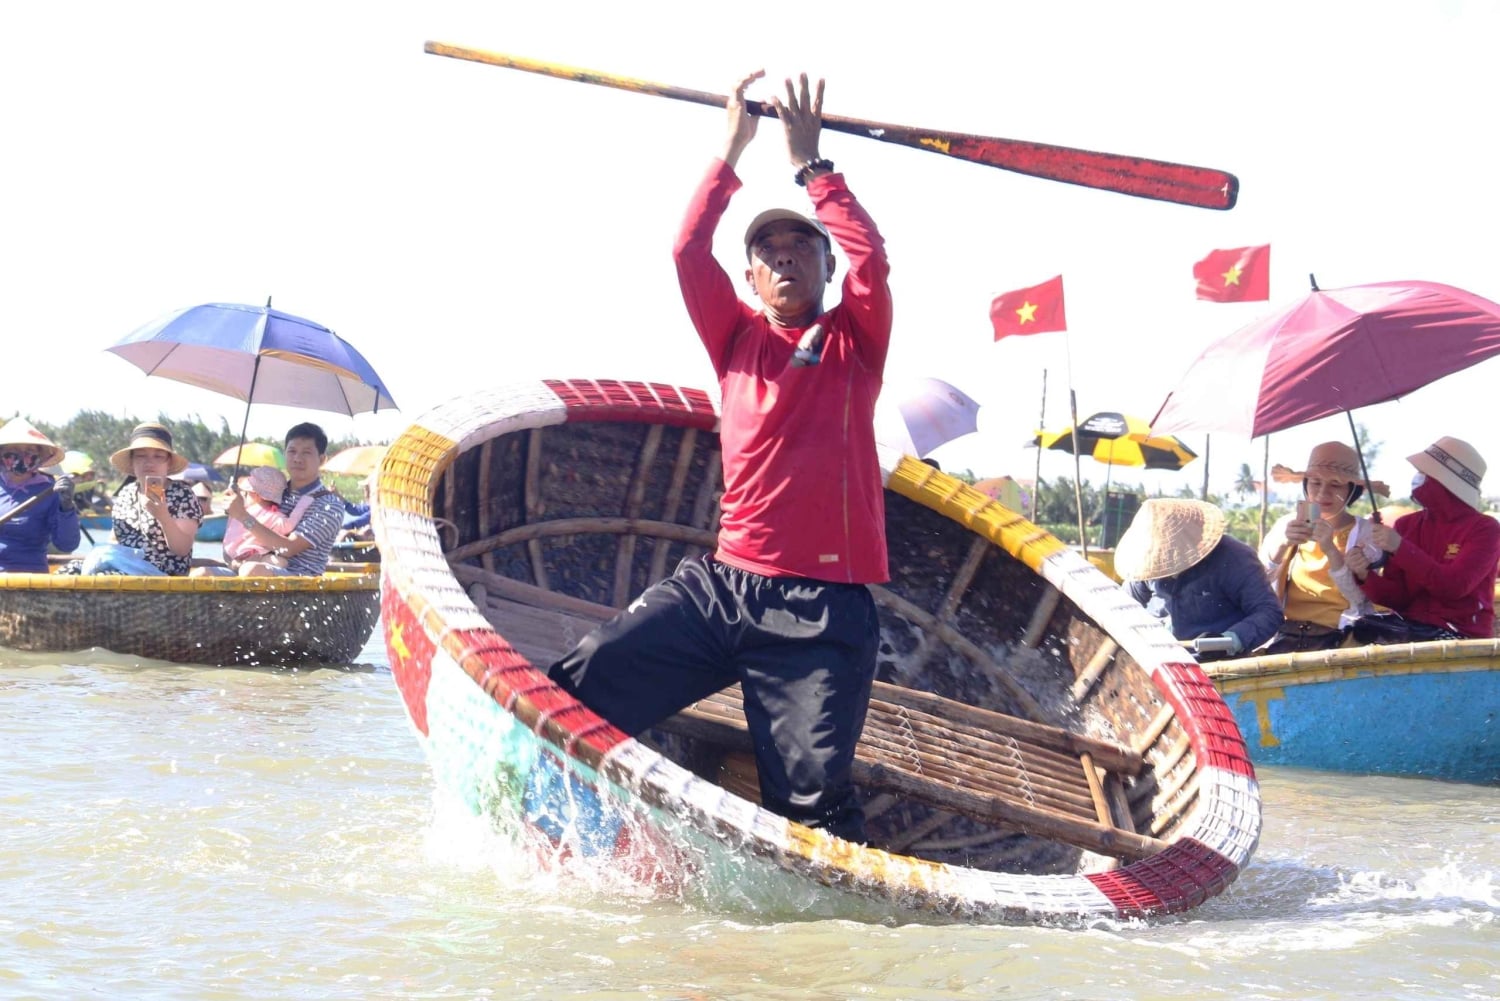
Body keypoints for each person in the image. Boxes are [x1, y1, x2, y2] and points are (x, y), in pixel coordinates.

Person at [547, 71, 892, 842]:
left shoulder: (853, 341)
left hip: (823, 610)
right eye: (766, 252)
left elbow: (873, 261)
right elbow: (685, 246)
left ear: (825, 269)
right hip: (724, 588)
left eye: (800, 247)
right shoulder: (734, 335)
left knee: (812, 811)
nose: (783, 260)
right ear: (749, 279)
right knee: (577, 687)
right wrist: (732, 148)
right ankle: (576, 828)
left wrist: (811, 167)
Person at [1346, 436, 1500, 641]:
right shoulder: (1406, 524)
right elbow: (1397, 599)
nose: (1417, 477)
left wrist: (1401, 549)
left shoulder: (1485, 528)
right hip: (1410, 630)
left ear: (1443, 481)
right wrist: (1365, 574)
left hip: (1462, 635)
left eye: (1424, 472)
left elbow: (1453, 587)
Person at [1258, 442, 1386, 653]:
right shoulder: (1286, 525)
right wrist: (1282, 546)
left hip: (1341, 640)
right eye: (1315, 482)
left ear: (1351, 491)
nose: (1323, 492)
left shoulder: (1366, 533)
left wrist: (1331, 550)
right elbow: (1258, 584)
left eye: (1335, 485)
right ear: (1306, 484)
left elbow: (1361, 600)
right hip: (1288, 637)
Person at [1116, 498, 1283, 659]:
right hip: (1157, 659)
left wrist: (1229, 641)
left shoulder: (1235, 558)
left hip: (1215, 665)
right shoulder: (1145, 561)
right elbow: (1123, 609)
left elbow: (1268, 612)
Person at [223, 423, 346, 576]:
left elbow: (288, 549)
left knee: (252, 571)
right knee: (203, 572)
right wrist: (234, 512)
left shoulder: (329, 505)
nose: (297, 459)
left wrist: (242, 516)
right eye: (292, 451)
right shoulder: (270, 492)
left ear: (321, 459)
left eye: (306, 453)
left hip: (298, 579)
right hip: (249, 564)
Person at [81, 422, 202, 576]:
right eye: (141, 456)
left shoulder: (183, 494)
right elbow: (115, 540)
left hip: (163, 576)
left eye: (158, 456)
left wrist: (163, 516)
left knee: (104, 578)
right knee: (70, 570)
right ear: (132, 461)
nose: (149, 462)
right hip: (123, 567)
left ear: (168, 462)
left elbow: (181, 550)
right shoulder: (126, 493)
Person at [0, 418, 80, 573]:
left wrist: (67, 506)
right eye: (14, 450)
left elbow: (67, 545)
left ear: (40, 456)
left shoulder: (50, 492)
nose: (22, 456)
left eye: (29, 451)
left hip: (28, 575)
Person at [219, 465, 291, 570]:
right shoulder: (276, 517)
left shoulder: (240, 512)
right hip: (247, 559)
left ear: (256, 495)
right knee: (280, 562)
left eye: (246, 493)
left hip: (230, 556)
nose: (244, 496)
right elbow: (288, 527)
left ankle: (236, 565)